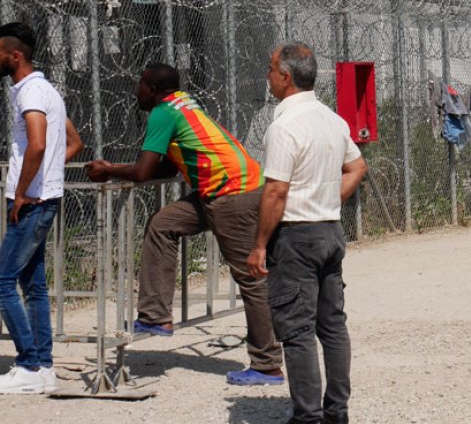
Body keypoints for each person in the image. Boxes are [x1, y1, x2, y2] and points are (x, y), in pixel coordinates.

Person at [85, 63, 284, 386]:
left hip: (232, 195)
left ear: (151, 88)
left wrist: (108, 169)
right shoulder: (184, 103)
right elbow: (166, 168)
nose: (137, 91)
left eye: (140, 85)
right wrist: (117, 168)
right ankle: (156, 316)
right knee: (164, 224)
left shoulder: (163, 112)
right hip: (222, 189)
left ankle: (267, 364)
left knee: (250, 279)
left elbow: (143, 172)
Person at [247, 43, 367, 424]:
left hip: (296, 238)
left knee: (297, 331)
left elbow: (277, 191)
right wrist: (327, 200)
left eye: (270, 69)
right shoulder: (332, 120)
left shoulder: (284, 126)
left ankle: (307, 416)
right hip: (330, 231)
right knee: (332, 327)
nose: (267, 76)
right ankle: (336, 413)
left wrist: (260, 245)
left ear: (285, 77)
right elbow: (357, 167)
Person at [0, 22, 83, 394]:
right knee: (33, 284)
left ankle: (29, 363)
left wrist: (21, 192)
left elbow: (35, 144)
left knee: (2, 281)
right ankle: (43, 366)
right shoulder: (46, 89)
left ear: (14, 55)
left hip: (30, 202)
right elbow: (73, 142)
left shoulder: (31, 93)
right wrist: (48, 176)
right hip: (43, 196)